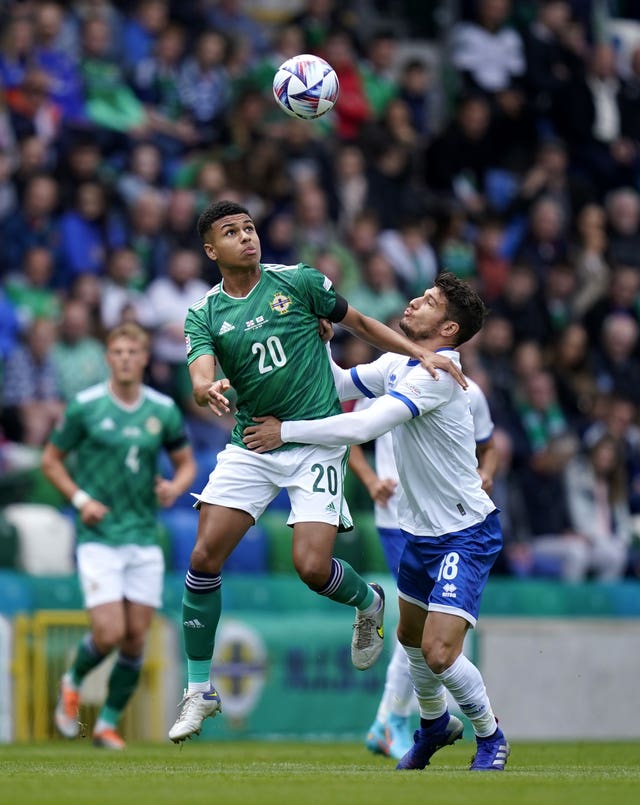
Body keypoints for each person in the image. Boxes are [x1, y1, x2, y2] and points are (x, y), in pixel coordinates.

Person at [166, 200, 466, 744]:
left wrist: (419, 355)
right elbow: (199, 371)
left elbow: (362, 324)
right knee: (204, 555)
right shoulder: (204, 313)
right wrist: (205, 388)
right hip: (253, 441)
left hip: (314, 444)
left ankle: (368, 602)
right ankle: (199, 689)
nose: (246, 238)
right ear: (211, 250)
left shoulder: (298, 281)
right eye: (231, 233)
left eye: (250, 228)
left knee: (310, 565)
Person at [243, 273, 509, 772]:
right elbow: (341, 384)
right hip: (419, 532)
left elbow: (364, 425)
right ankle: (432, 727)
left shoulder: (436, 375)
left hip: (465, 532)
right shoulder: (397, 362)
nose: (415, 301)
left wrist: (287, 432)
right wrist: (319, 342)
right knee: (409, 639)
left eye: (429, 302)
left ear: (448, 328)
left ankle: (490, 736)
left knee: (438, 651)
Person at [41, 322, 197, 749]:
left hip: (144, 537)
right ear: (108, 358)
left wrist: (174, 487)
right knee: (108, 632)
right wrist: (80, 500)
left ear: (145, 358)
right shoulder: (85, 407)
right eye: (118, 352)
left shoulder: (162, 409)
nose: (126, 358)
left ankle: (107, 724)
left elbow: (185, 463)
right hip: (99, 535)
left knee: (134, 638)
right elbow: (51, 461)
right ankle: (71, 682)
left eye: (134, 351)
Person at [349, 375, 498, 760]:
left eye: (426, 307)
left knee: (426, 632)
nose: (411, 310)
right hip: (399, 520)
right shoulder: (390, 375)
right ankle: (397, 720)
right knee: (416, 627)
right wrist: (370, 482)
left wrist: (487, 475)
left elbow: (489, 446)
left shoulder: (470, 391)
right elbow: (353, 435)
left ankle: (397, 720)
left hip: (451, 523)